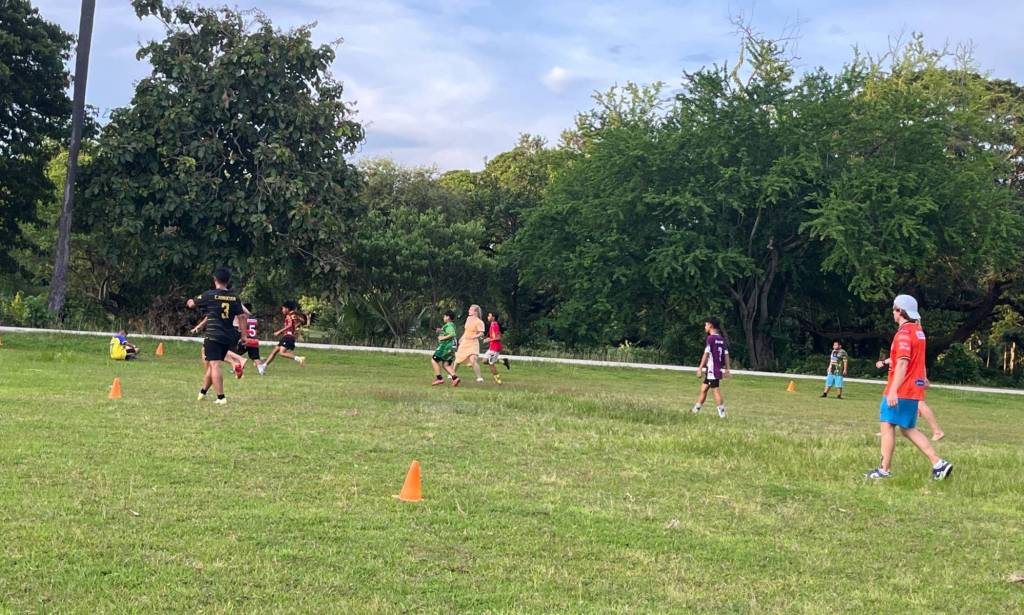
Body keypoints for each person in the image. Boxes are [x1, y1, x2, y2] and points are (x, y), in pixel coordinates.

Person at [864, 294, 952, 480]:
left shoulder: (903, 334)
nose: (892, 312)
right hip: (913, 387)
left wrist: (894, 390)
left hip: (902, 388)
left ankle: (883, 470)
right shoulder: (919, 332)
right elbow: (919, 359)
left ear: (900, 311)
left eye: (895, 309)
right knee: (907, 429)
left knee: (887, 425)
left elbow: (903, 363)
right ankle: (938, 463)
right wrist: (924, 378)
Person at [187, 267, 248, 404]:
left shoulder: (210, 295)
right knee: (212, 363)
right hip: (228, 336)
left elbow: (192, 304)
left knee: (214, 364)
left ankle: (221, 397)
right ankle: (202, 392)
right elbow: (242, 316)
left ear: (215, 279)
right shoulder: (234, 297)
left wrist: (190, 301)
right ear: (228, 281)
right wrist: (244, 336)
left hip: (214, 334)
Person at [876, 357, 944, 441]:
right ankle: (886, 430)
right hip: (906, 380)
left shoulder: (909, 345)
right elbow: (897, 358)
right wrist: (884, 362)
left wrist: (924, 377)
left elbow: (910, 360)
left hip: (911, 380)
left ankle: (937, 431)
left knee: (920, 403)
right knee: (894, 402)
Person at [691, 317, 730, 418]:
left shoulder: (710, 338)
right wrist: (727, 369)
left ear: (711, 326)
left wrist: (700, 368)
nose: (705, 327)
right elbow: (726, 354)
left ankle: (722, 415)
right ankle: (695, 410)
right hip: (715, 368)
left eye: (706, 325)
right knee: (703, 389)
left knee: (715, 390)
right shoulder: (721, 339)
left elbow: (706, 354)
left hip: (712, 369)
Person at [264, 300, 306, 370]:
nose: (282, 310)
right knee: (274, 351)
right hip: (287, 336)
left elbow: (290, 325)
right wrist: (295, 326)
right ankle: (263, 366)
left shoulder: (289, 315)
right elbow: (302, 321)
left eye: (283, 308)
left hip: (288, 337)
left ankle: (299, 359)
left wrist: (279, 331)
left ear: (287, 308)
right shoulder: (292, 315)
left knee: (281, 352)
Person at [452, 304, 485, 383]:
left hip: (473, 343)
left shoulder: (479, 322)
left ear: (475, 312)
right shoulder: (468, 319)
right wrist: (462, 338)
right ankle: (452, 374)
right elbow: (466, 331)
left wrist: (474, 336)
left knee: (472, 359)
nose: (468, 310)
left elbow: (481, 333)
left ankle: (479, 378)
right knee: (458, 359)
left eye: (470, 309)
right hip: (465, 342)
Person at [480, 311, 511, 384]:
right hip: (492, 347)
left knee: (491, 364)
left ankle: (498, 380)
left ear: (493, 317)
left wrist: (489, 340)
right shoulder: (492, 324)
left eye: (489, 315)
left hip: (495, 348)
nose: (487, 317)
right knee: (484, 361)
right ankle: (503, 361)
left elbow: (498, 337)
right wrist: (488, 339)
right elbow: (494, 336)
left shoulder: (494, 325)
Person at [431, 310, 460, 386]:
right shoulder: (451, 325)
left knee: (434, 360)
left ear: (448, 317)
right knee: (446, 364)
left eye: (444, 316)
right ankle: (455, 378)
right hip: (451, 347)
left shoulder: (449, 325)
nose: (443, 317)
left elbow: (452, 334)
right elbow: (449, 332)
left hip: (445, 347)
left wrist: (442, 338)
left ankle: (439, 378)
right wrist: (441, 330)